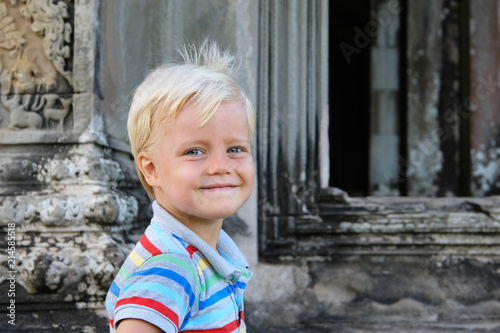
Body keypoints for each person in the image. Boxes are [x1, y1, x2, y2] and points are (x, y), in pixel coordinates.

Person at [105, 40, 256, 333]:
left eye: (235, 148)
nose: (220, 165)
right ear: (151, 169)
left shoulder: (204, 256)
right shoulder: (172, 269)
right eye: (195, 151)